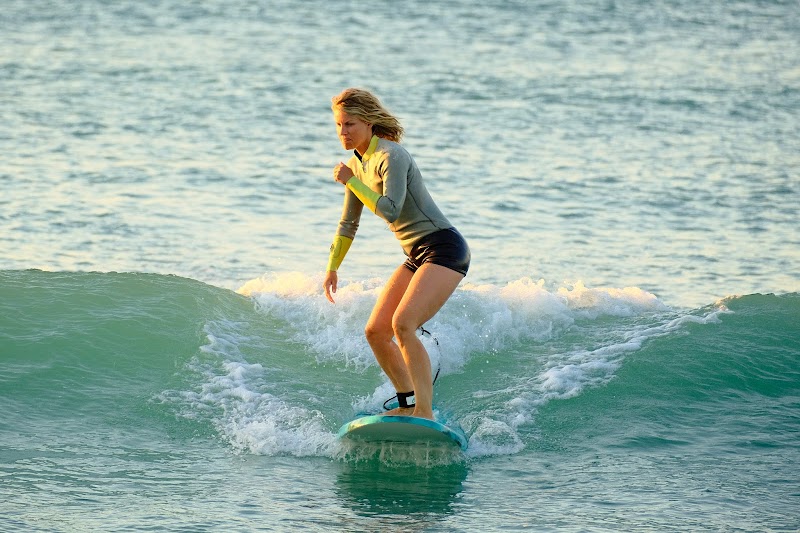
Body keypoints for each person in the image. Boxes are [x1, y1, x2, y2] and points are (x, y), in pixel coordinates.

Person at [323, 88, 470, 420]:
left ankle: (425, 412)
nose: (343, 132)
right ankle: (407, 405)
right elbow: (348, 224)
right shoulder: (356, 165)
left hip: (444, 248)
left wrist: (350, 182)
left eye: (350, 124)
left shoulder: (392, 156)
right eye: (338, 125)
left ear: (370, 123)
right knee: (376, 331)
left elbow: (390, 210)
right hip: (416, 254)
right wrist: (332, 267)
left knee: (403, 324)